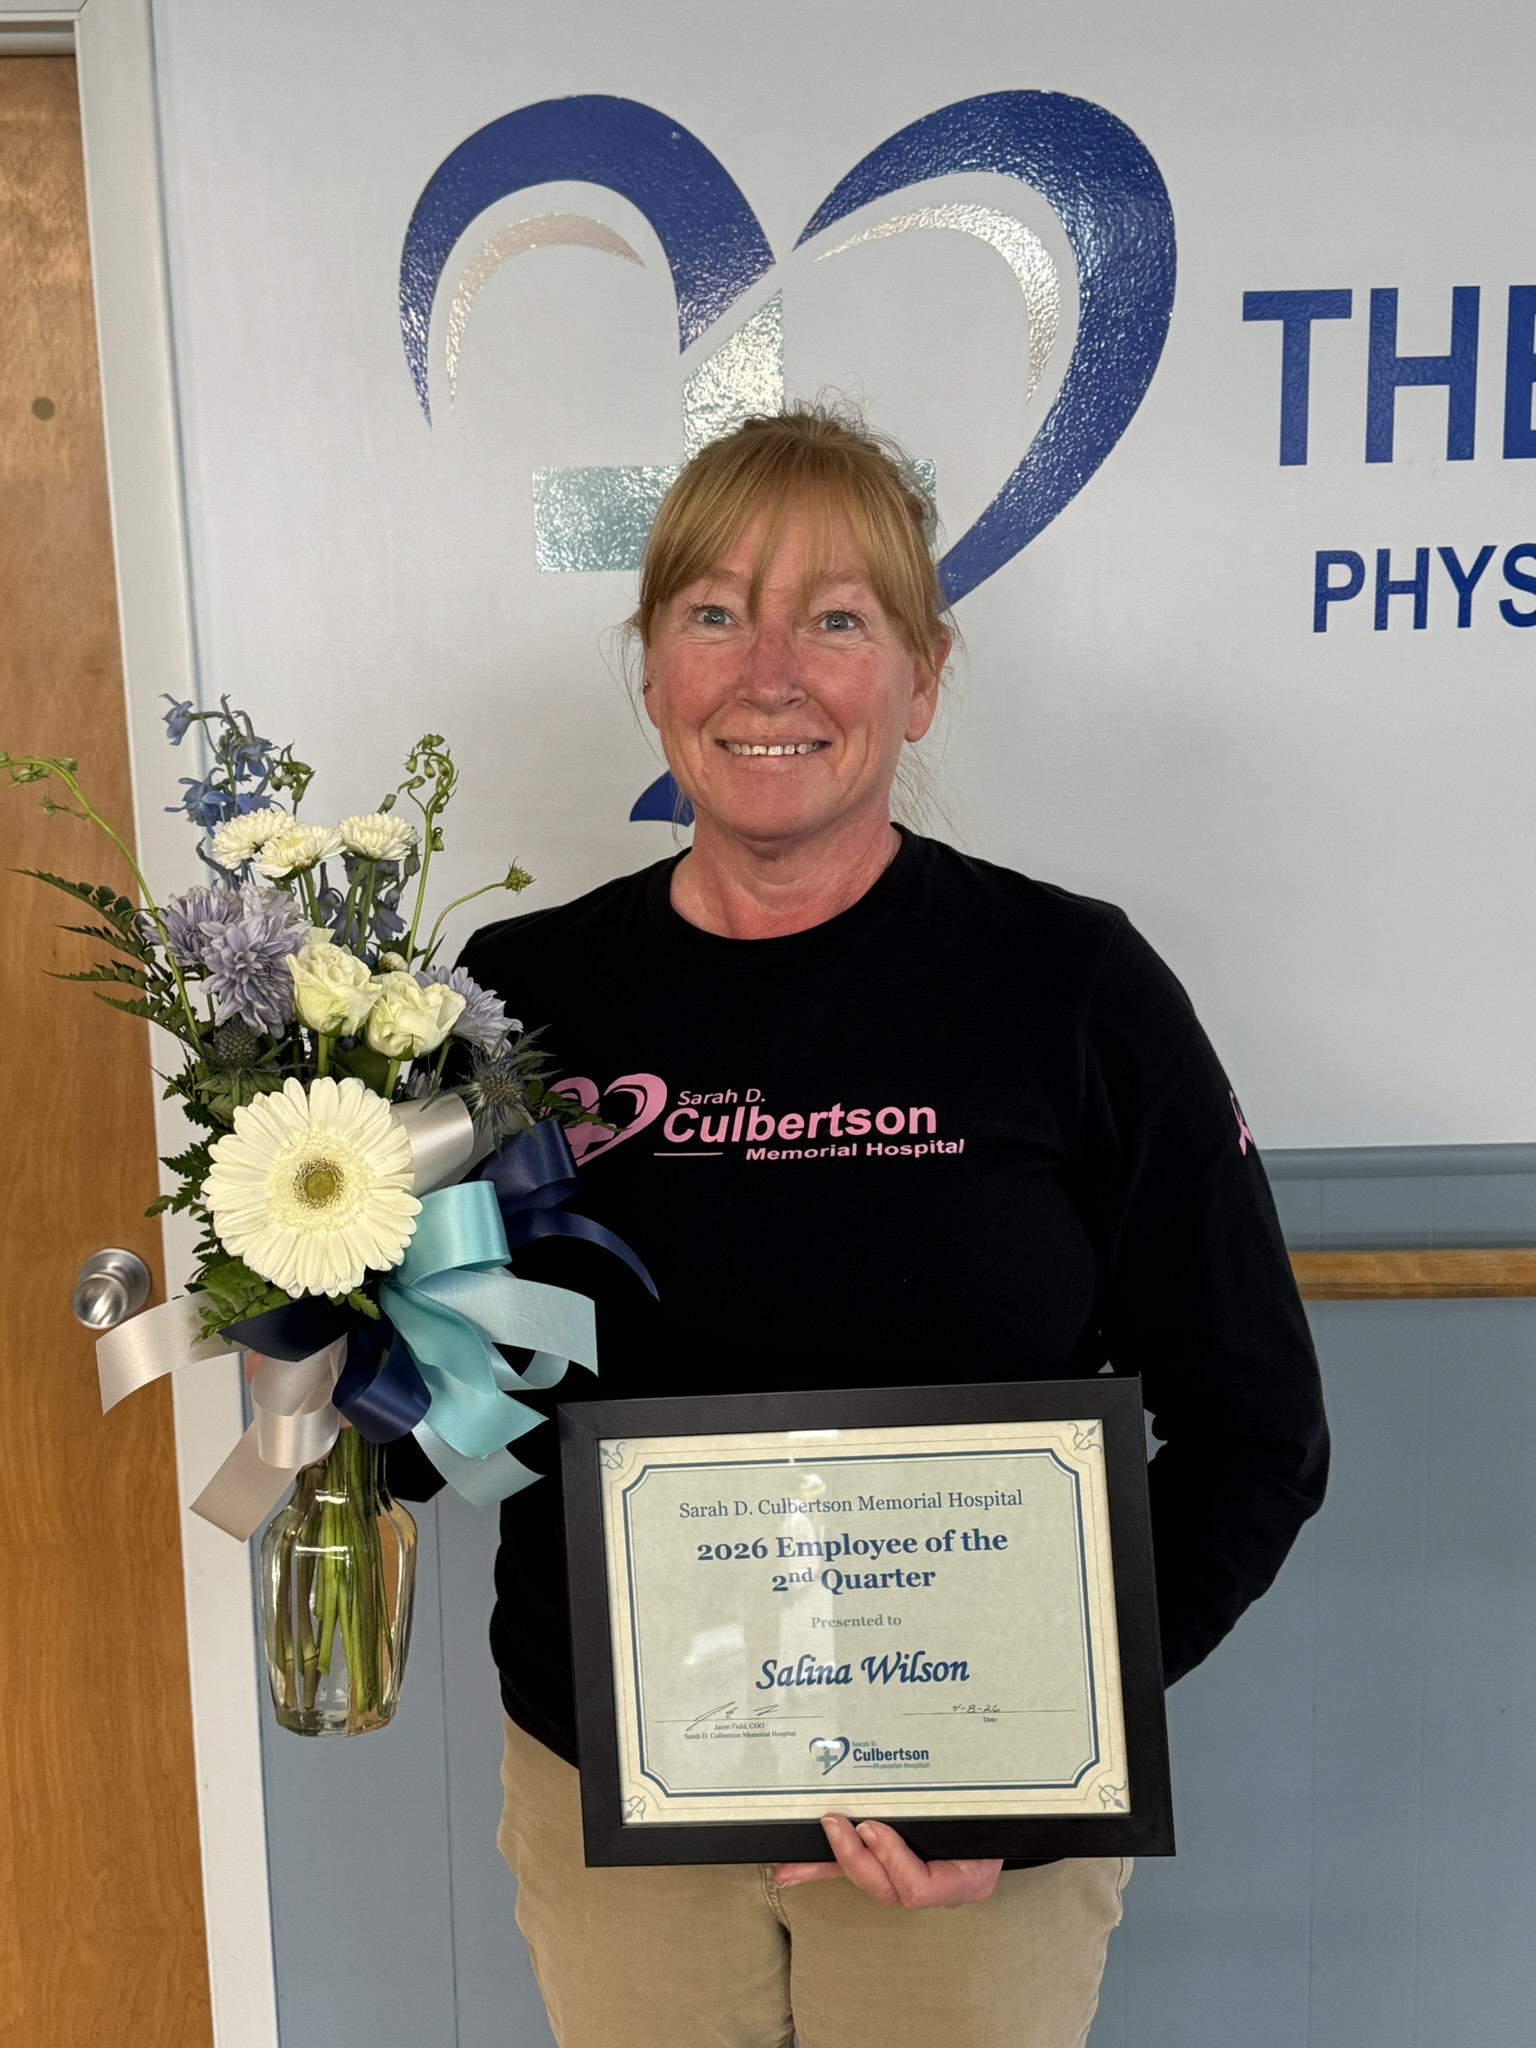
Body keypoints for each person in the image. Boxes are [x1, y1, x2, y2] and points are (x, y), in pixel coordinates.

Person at [432, 406, 1329, 2047]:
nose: (769, 674)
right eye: (714, 612)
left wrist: (1040, 1770)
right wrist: (319, 1368)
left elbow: (1257, 1432)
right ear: (652, 670)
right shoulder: (517, 1001)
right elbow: (440, 1416)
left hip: (964, 1835)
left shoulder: (1074, 989)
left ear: (922, 677)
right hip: (614, 1792)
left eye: (837, 620)